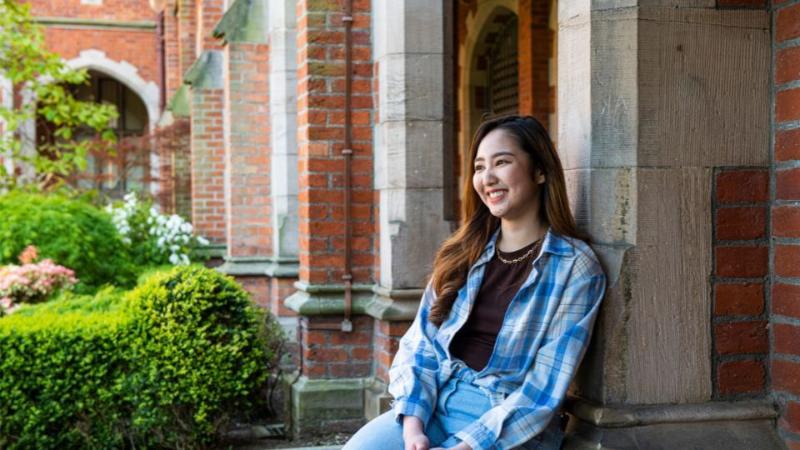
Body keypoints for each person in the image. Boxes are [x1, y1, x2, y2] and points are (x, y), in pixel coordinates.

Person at [343, 115, 607, 450]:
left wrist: (464, 447)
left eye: (502, 162)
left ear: (540, 171)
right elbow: (419, 345)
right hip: (432, 406)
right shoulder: (462, 253)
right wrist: (413, 431)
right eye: (479, 167)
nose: (488, 177)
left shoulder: (575, 268)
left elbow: (543, 391)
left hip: (503, 423)